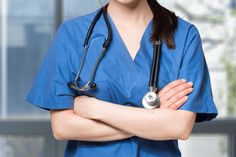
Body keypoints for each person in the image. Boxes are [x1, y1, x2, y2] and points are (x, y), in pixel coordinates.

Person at [26, 0, 218, 156]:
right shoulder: (72, 34)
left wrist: (94, 108)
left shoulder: (184, 35)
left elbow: (179, 127)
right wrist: (152, 116)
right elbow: (63, 127)